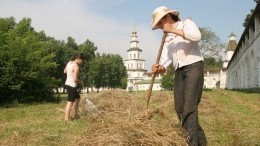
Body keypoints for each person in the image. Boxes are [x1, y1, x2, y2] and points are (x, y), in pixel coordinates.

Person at [151, 6, 207, 146]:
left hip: (194, 66)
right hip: (179, 71)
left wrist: (173, 30)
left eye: (160, 23)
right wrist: (159, 68)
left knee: (189, 108)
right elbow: (165, 61)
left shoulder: (186, 23)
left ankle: (191, 143)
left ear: (167, 18)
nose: (159, 27)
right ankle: (201, 143)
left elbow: (197, 36)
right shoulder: (166, 39)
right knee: (180, 108)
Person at [64, 53, 84, 121]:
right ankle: (66, 119)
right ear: (78, 59)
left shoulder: (69, 62)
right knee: (70, 102)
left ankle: (75, 114)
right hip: (72, 85)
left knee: (78, 98)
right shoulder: (76, 66)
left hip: (67, 84)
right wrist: (80, 82)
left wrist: (71, 73)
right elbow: (75, 80)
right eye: (82, 60)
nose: (82, 62)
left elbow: (65, 71)